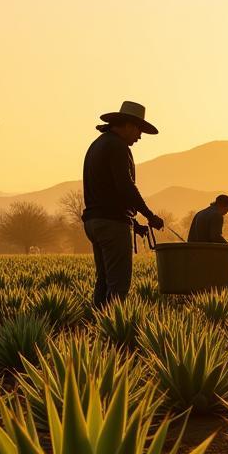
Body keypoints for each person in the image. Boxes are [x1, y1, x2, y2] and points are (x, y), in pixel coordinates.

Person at [82, 101, 166, 307]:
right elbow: (124, 185)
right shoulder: (117, 146)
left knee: (103, 280)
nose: (139, 137)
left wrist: (134, 223)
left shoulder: (98, 144)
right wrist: (149, 214)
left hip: (94, 221)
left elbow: (109, 189)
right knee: (119, 284)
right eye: (139, 130)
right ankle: (112, 330)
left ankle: (97, 323)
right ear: (128, 125)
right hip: (111, 223)